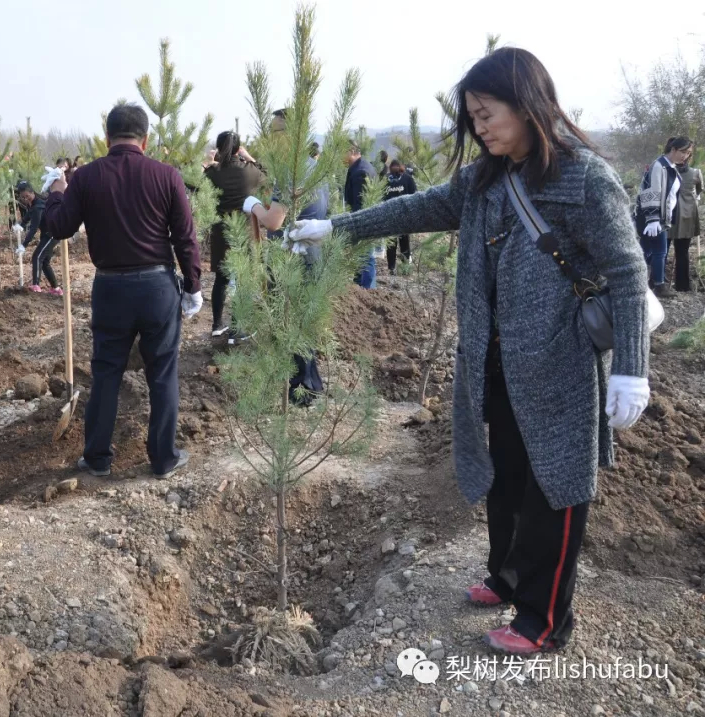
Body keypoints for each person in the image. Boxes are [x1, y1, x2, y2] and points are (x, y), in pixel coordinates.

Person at [289, 47, 651, 654]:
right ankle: (506, 577)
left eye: (487, 115)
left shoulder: (583, 177)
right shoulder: (485, 177)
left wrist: (632, 370)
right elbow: (419, 206)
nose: (479, 129)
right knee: (507, 475)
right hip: (497, 361)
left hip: (561, 364)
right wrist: (338, 228)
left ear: (528, 102)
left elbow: (628, 270)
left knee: (555, 486)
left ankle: (544, 619)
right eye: (472, 119)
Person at [44, 103, 202, 478]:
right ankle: (163, 459)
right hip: (157, 287)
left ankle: (97, 457)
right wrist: (193, 285)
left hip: (111, 287)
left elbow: (60, 226)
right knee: (162, 372)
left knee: (106, 373)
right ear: (145, 140)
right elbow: (185, 237)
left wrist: (55, 191)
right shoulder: (167, 176)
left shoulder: (87, 177)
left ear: (107, 137)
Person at [241, 110, 327, 405]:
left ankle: (300, 390)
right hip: (312, 254)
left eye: (276, 132)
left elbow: (275, 221)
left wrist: (253, 207)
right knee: (304, 322)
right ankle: (310, 384)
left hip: (291, 258)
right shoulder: (315, 166)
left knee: (289, 322)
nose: (271, 138)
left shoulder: (291, 171)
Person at [203, 130, 265, 336]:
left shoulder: (213, 173)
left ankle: (217, 326)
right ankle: (238, 328)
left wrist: (208, 162)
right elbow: (265, 173)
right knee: (244, 277)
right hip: (244, 230)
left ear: (219, 150)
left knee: (221, 279)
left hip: (221, 232)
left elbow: (195, 185)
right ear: (238, 149)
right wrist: (249, 157)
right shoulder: (249, 171)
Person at [635, 136, 693, 296]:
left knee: (647, 250)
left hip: (660, 218)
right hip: (652, 218)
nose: (685, 156)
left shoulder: (670, 166)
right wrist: (652, 218)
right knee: (659, 250)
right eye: (683, 152)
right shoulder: (659, 166)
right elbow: (651, 192)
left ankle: (641, 280)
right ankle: (658, 285)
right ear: (673, 149)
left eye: (688, 153)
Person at [13, 179, 61, 294]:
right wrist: (21, 225)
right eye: (22, 197)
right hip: (47, 234)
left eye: (27, 196)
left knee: (37, 257)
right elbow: (28, 216)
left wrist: (24, 245)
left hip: (52, 235)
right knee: (44, 262)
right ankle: (56, 289)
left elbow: (33, 229)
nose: (25, 199)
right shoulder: (34, 204)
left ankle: (36, 285)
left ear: (32, 192)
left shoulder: (38, 206)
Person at [342, 145, 378, 288]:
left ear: (351, 152)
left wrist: (355, 228)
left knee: (365, 257)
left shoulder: (361, 171)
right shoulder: (359, 167)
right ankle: (361, 287)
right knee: (362, 257)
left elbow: (361, 205)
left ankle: (367, 291)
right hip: (365, 221)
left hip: (364, 223)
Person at [672, 152, 702, 292]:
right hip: (687, 217)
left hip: (669, 215)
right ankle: (682, 285)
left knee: (662, 251)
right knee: (682, 251)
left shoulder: (667, 171)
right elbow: (699, 191)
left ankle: (659, 284)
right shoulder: (696, 173)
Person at [383, 159, 417, 273]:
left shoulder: (385, 180)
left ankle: (391, 267)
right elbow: (414, 195)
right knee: (404, 242)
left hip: (390, 216)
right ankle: (405, 266)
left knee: (391, 244)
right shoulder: (408, 179)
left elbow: (381, 198)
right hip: (404, 216)